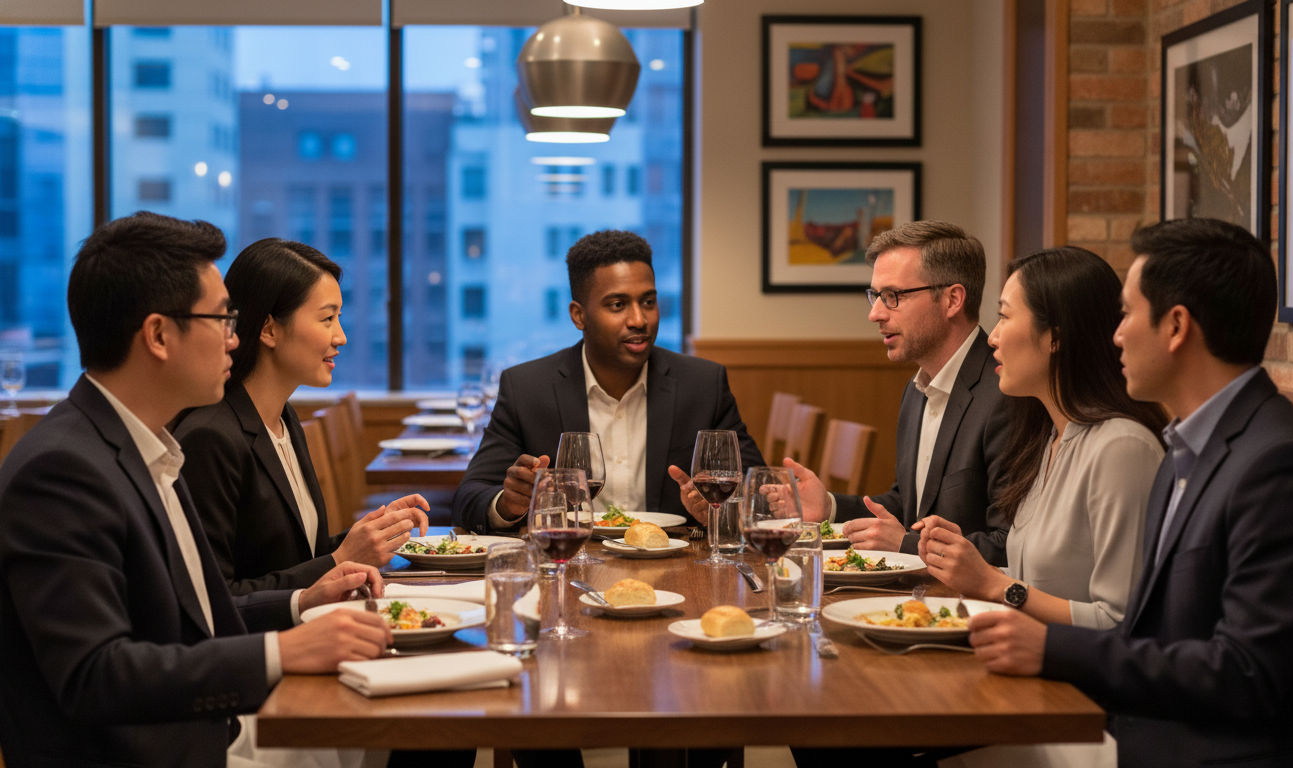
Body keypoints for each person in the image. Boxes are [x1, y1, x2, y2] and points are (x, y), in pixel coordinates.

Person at [0, 212, 392, 767]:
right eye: (222, 319)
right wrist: (281, 651)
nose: (234, 338)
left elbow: (203, 618)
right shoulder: (62, 470)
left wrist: (304, 600)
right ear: (159, 335)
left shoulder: (151, 445)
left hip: (205, 727)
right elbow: (95, 675)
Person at [967, 218, 1293, 767]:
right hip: (1143, 727)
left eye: (1127, 313)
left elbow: (1246, 674)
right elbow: (1153, 634)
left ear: (1176, 326)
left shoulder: (1283, 463)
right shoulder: (1185, 448)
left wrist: (1050, 646)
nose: (1115, 334)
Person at [453, 229, 763, 533]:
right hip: (570, 557)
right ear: (579, 315)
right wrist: (508, 504)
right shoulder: (527, 389)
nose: (639, 320)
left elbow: (754, 490)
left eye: (648, 302)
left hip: (675, 559)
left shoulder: (703, 384)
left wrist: (720, 512)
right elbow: (469, 497)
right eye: (618, 305)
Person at [920, 246, 1167, 629]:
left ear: (1055, 337)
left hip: (1073, 667)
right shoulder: (1048, 437)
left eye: (1004, 316)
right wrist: (965, 559)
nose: (993, 337)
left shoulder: (1123, 449)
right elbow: (1036, 581)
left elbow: (1121, 622)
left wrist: (992, 584)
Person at [175, 239, 430, 596]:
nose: (341, 337)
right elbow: (215, 601)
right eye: (327, 319)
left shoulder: (284, 418)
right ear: (269, 329)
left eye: (338, 318)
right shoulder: (210, 437)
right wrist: (340, 560)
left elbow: (297, 559)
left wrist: (370, 537)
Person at [787, 221, 1010, 565]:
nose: (874, 313)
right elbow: (908, 505)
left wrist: (907, 544)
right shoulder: (917, 388)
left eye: (893, 296)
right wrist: (829, 507)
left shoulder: (1005, 393)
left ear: (952, 300)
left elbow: (1008, 545)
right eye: (875, 296)